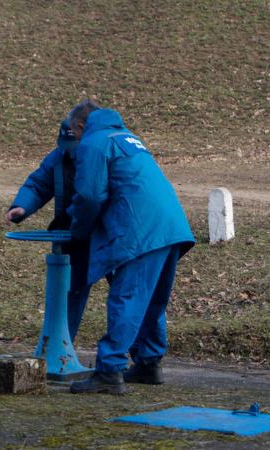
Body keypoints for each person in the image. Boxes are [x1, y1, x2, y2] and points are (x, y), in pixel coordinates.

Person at [65, 100, 196, 394]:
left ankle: (109, 372)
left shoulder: (94, 143)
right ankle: (149, 364)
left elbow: (89, 196)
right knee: (151, 300)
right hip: (170, 226)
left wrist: (77, 231)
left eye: (73, 132)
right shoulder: (128, 138)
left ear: (82, 127)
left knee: (127, 298)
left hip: (140, 230)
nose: (73, 138)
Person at [5, 119, 93, 343]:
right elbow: (38, 184)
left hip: (106, 235)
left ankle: (142, 359)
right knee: (69, 294)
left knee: (126, 295)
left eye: (74, 145)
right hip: (73, 235)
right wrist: (21, 206)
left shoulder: (100, 154)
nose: (70, 152)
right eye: (65, 145)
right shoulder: (58, 157)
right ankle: (61, 347)